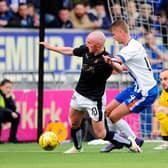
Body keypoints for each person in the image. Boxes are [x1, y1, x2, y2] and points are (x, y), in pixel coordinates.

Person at [40, 30, 142, 154]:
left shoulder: (106, 60)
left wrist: (112, 63)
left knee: (101, 133)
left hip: (94, 100)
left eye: (89, 43)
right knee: (74, 123)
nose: (86, 45)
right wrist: (51, 47)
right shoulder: (86, 50)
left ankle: (130, 143)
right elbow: (70, 51)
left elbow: (120, 69)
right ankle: (77, 148)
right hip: (79, 94)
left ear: (98, 45)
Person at [103, 20, 158, 142]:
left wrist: (105, 59)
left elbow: (116, 60)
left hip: (145, 91)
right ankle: (117, 141)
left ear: (120, 31)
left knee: (113, 116)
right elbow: (120, 68)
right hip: (137, 87)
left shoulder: (131, 47)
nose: (113, 37)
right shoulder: (132, 46)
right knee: (107, 111)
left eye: (114, 34)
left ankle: (133, 141)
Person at [0, 79, 20, 143]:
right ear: (1, 87)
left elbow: (13, 109)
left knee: (17, 115)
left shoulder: (9, 96)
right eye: (7, 87)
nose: (8, 90)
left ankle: (12, 138)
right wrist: (10, 112)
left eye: (10, 88)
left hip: (3, 114)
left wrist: (9, 99)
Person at [153, 69, 168, 150]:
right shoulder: (163, 93)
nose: (163, 82)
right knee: (159, 112)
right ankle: (166, 142)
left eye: (165, 79)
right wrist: (155, 129)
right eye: (161, 79)